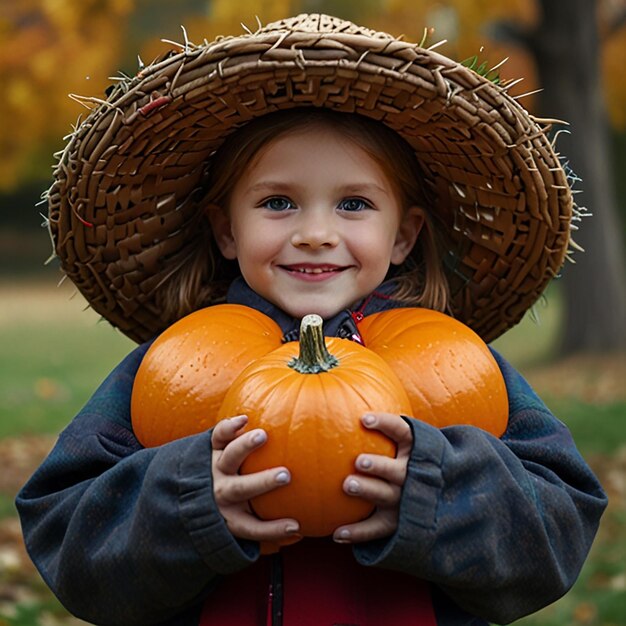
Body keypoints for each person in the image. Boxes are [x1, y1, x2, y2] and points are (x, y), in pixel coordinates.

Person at [16, 13, 607, 626]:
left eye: (354, 204)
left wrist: (439, 492)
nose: (316, 234)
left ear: (403, 235)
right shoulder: (176, 364)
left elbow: (558, 529)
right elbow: (66, 535)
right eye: (278, 203)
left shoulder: (453, 363)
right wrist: (190, 499)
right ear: (226, 230)